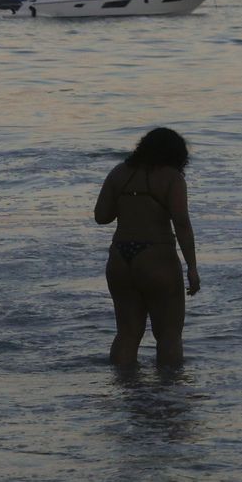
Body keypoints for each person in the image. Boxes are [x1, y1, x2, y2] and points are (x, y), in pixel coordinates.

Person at [96, 127, 200, 369]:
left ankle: (125, 390)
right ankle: (168, 396)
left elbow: (101, 216)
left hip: (121, 257)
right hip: (156, 255)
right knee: (168, 335)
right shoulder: (172, 178)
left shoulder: (118, 173)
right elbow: (182, 223)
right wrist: (192, 267)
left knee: (127, 333)